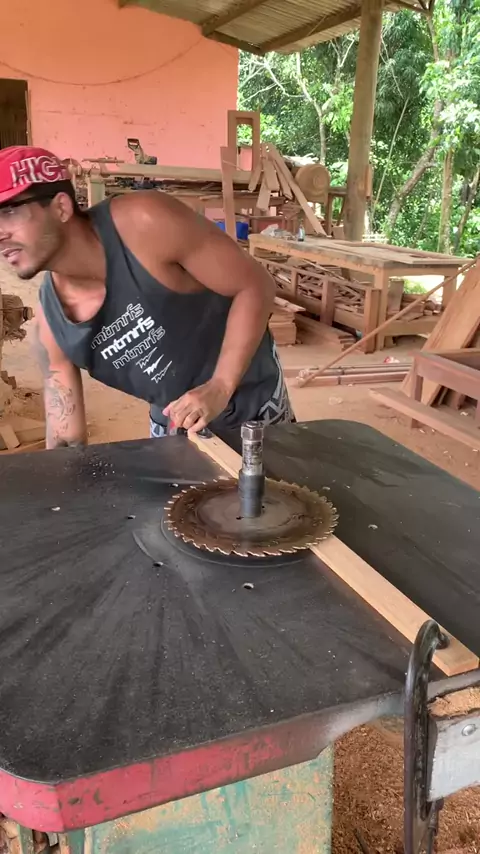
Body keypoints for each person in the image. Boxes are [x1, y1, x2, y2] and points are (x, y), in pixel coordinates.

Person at [0, 146, 294, 449]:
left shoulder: (144, 224)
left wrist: (220, 385)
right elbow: (65, 440)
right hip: (172, 423)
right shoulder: (52, 326)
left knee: (281, 479)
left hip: (253, 403)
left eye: (9, 212)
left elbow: (255, 285)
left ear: (61, 208)